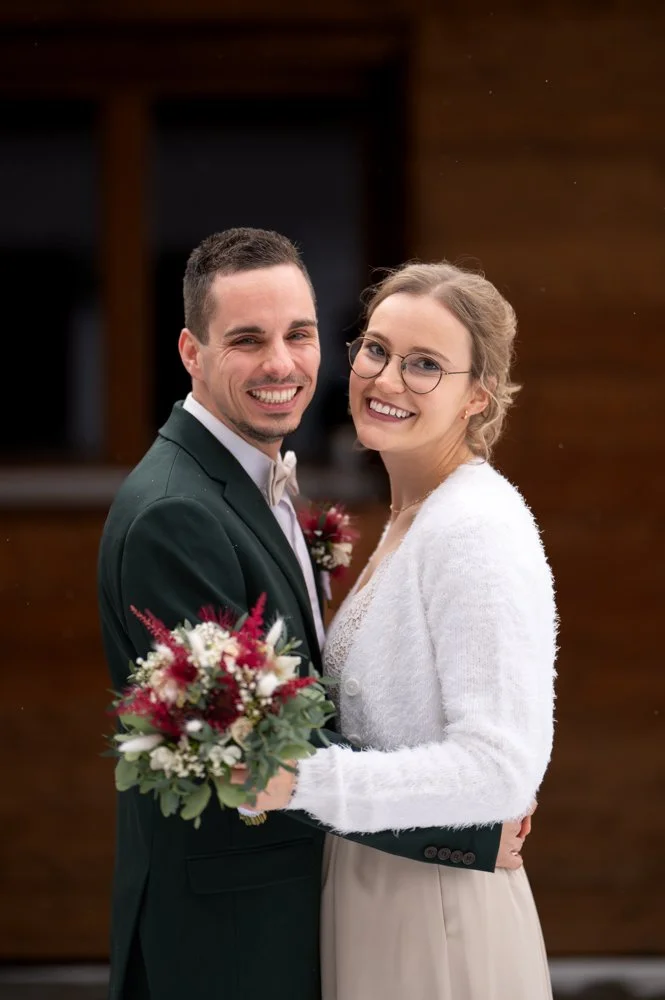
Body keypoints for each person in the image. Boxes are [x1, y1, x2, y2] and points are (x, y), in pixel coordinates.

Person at [97, 229, 533, 1000]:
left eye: (299, 334)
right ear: (191, 353)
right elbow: (250, 749)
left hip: (358, 910)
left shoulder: (450, 519)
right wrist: (465, 830)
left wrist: (479, 801)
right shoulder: (177, 513)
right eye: (247, 339)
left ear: (477, 394)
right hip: (228, 938)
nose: (281, 363)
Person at [239, 260, 558, 999]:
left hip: (435, 912)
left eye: (424, 366)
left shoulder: (476, 527)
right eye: (376, 350)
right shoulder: (413, 518)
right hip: (377, 892)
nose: (385, 380)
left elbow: (498, 768)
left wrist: (299, 782)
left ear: (476, 395)